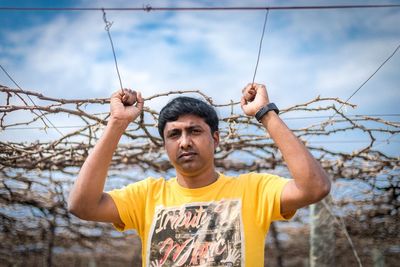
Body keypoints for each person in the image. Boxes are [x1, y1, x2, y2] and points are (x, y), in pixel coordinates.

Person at [68, 83, 330, 266]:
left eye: (194, 131)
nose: (184, 142)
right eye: (174, 134)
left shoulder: (254, 190)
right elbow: (82, 205)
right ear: (165, 145)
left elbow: (314, 187)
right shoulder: (146, 195)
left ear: (215, 138)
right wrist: (117, 122)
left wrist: (265, 113)